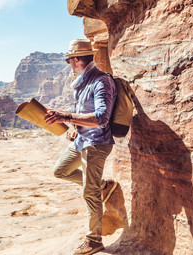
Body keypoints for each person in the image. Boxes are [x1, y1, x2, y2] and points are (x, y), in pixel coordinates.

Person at [44, 39, 118, 255]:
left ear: (76, 60)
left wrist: (66, 116)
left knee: (89, 192)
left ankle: (94, 240)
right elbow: (83, 108)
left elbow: (102, 117)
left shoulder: (100, 81)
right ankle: (104, 186)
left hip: (96, 143)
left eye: (69, 60)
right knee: (61, 171)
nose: (69, 64)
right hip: (82, 140)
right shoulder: (83, 82)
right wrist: (74, 125)